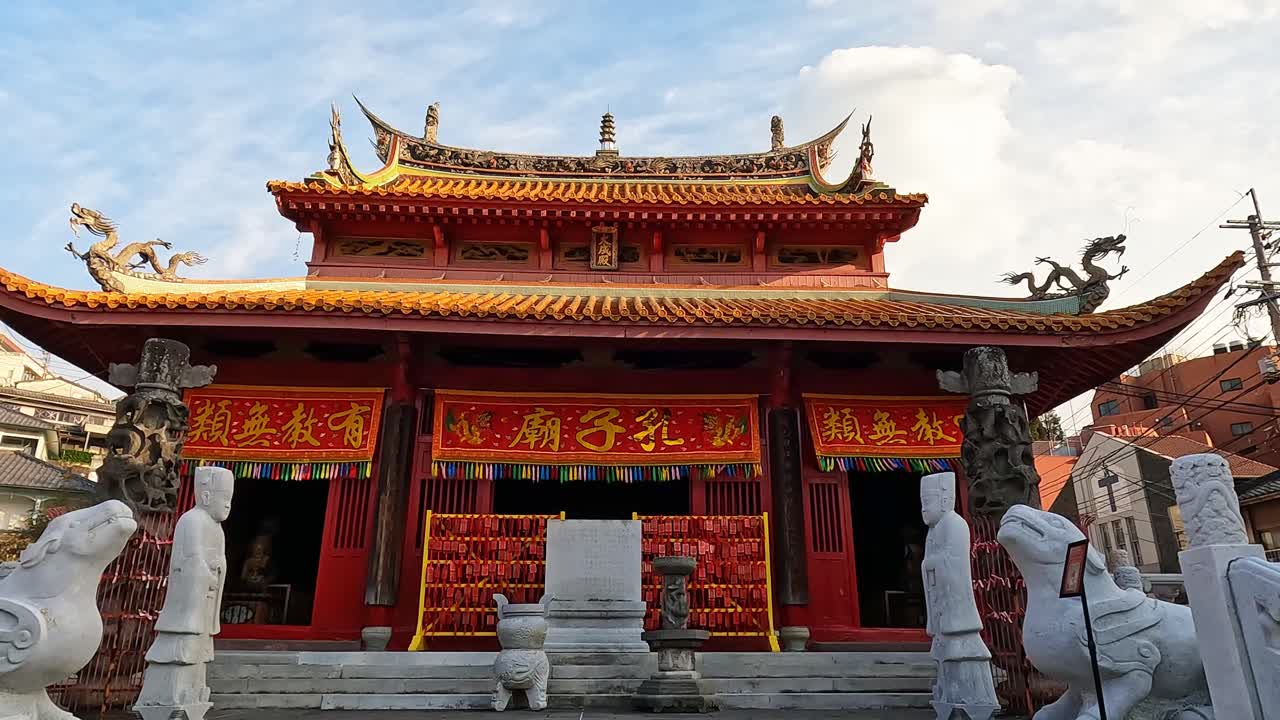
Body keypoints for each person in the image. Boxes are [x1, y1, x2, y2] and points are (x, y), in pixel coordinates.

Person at [135, 466, 234, 720]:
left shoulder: (217, 529)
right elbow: (192, 560)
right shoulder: (191, 521)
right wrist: (208, 573)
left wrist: (217, 570)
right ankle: (171, 697)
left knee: (199, 652)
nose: (228, 506)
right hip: (191, 601)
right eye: (225, 500)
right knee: (183, 648)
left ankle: (192, 694)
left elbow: (218, 560)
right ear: (207, 496)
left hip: (205, 600)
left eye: (230, 501)